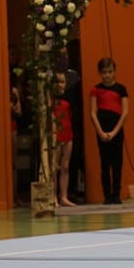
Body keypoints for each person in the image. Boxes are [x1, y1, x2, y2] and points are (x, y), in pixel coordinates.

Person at [89, 57, 128, 205]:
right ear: (100, 73)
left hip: (116, 129)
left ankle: (116, 194)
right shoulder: (95, 89)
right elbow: (93, 112)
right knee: (104, 164)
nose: (107, 75)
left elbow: (125, 112)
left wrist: (114, 131)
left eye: (110, 71)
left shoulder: (121, 89)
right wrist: (100, 132)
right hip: (102, 128)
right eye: (104, 72)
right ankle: (107, 195)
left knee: (117, 163)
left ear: (114, 71)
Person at [52, 74, 77, 207]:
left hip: (67, 133)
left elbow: (71, 116)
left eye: (62, 82)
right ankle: (54, 197)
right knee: (54, 166)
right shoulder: (50, 98)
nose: (60, 85)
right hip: (55, 134)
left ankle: (64, 197)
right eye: (57, 82)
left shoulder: (69, 97)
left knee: (65, 166)